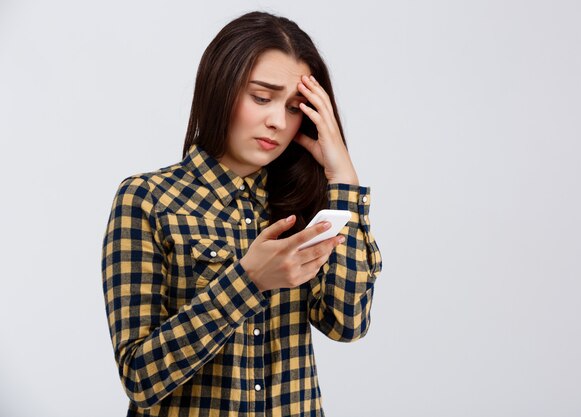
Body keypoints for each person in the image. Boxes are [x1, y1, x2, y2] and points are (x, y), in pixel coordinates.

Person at [101, 10, 382, 417]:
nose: (277, 122)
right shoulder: (147, 200)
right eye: (262, 98)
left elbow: (348, 323)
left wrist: (343, 181)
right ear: (220, 88)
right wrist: (248, 282)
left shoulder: (302, 202)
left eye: (294, 108)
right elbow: (141, 378)